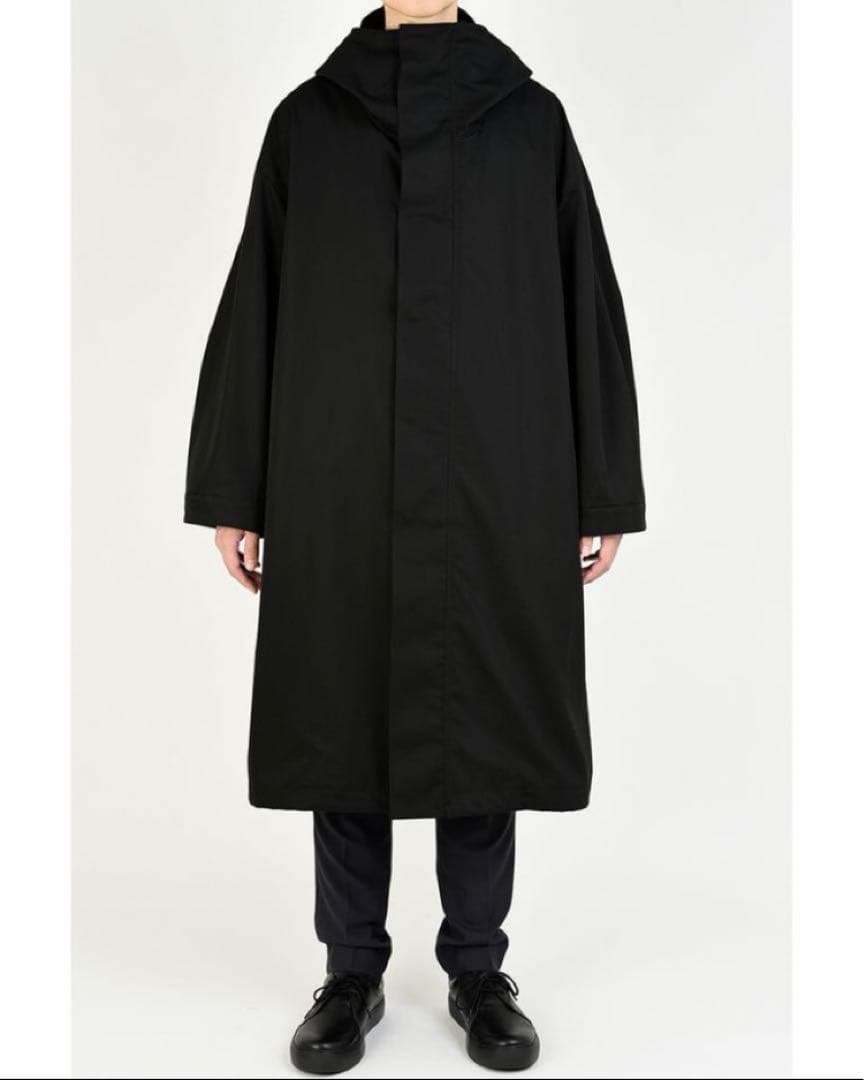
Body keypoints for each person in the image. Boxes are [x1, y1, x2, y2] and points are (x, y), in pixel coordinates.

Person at [184, 1, 645, 1072]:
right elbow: (259, 295)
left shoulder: (530, 123)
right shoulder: (309, 124)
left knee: (480, 710)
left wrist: (600, 491)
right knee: (339, 711)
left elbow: (584, 299)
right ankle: (351, 971)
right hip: (337, 470)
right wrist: (236, 488)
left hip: (494, 473)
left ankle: (479, 970)